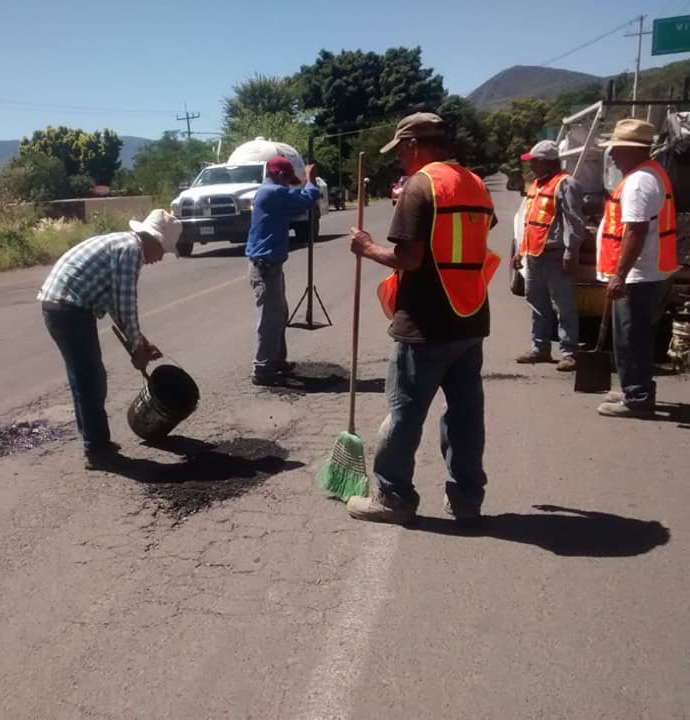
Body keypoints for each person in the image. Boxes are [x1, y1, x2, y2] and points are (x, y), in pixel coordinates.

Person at [346, 112, 497, 525]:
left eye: (400, 151)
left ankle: (393, 497)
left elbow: (408, 257)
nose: (399, 160)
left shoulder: (420, 186)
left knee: (404, 413)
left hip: (427, 324)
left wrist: (366, 247)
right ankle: (467, 500)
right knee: (466, 416)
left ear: (413, 145)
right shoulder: (475, 183)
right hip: (469, 317)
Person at [37, 209, 181, 468]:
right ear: (154, 240)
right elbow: (126, 305)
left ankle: (95, 441)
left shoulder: (124, 244)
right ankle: (96, 450)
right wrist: (137, 350)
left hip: (64, 307)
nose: (160, 258)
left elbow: (116, 304)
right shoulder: (131, 252)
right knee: (89, 379)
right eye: (163, 251)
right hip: (68, 310)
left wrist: (140, 342)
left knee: (86, 377)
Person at [595, 118, 679, 418]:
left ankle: (637, 398)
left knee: (631, 338)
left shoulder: (639, 182)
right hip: (650, 272)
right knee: (637, 336)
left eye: (616, 148)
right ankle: (634, 387)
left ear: (633, 150)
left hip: (639, 276)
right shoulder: (649, 174)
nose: (613, 154)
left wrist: (619, 275)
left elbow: (636, 231)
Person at [245, 156, 321, 386]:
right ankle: (262, 370)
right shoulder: (272, 192)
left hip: (270, 265)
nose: (289, 184)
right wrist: (310, 178)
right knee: (270, 319)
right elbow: (306, 199)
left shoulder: (271, 192)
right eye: (288, 179)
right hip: (265, 266)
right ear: (278, 174)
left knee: (279, 315)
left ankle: (276, 360)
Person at [513, 140, 586, 371]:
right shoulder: (537, 184)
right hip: (534, 255)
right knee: (537, 303)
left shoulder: (566, 184)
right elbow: (530, 221)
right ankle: (540, 348)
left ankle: (569, 351)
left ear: (546, 162)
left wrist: (571, 252)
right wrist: (519, 251)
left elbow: (574, 221)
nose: (531, 165)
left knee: (564, 305)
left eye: (534, 161)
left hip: (556, 255)